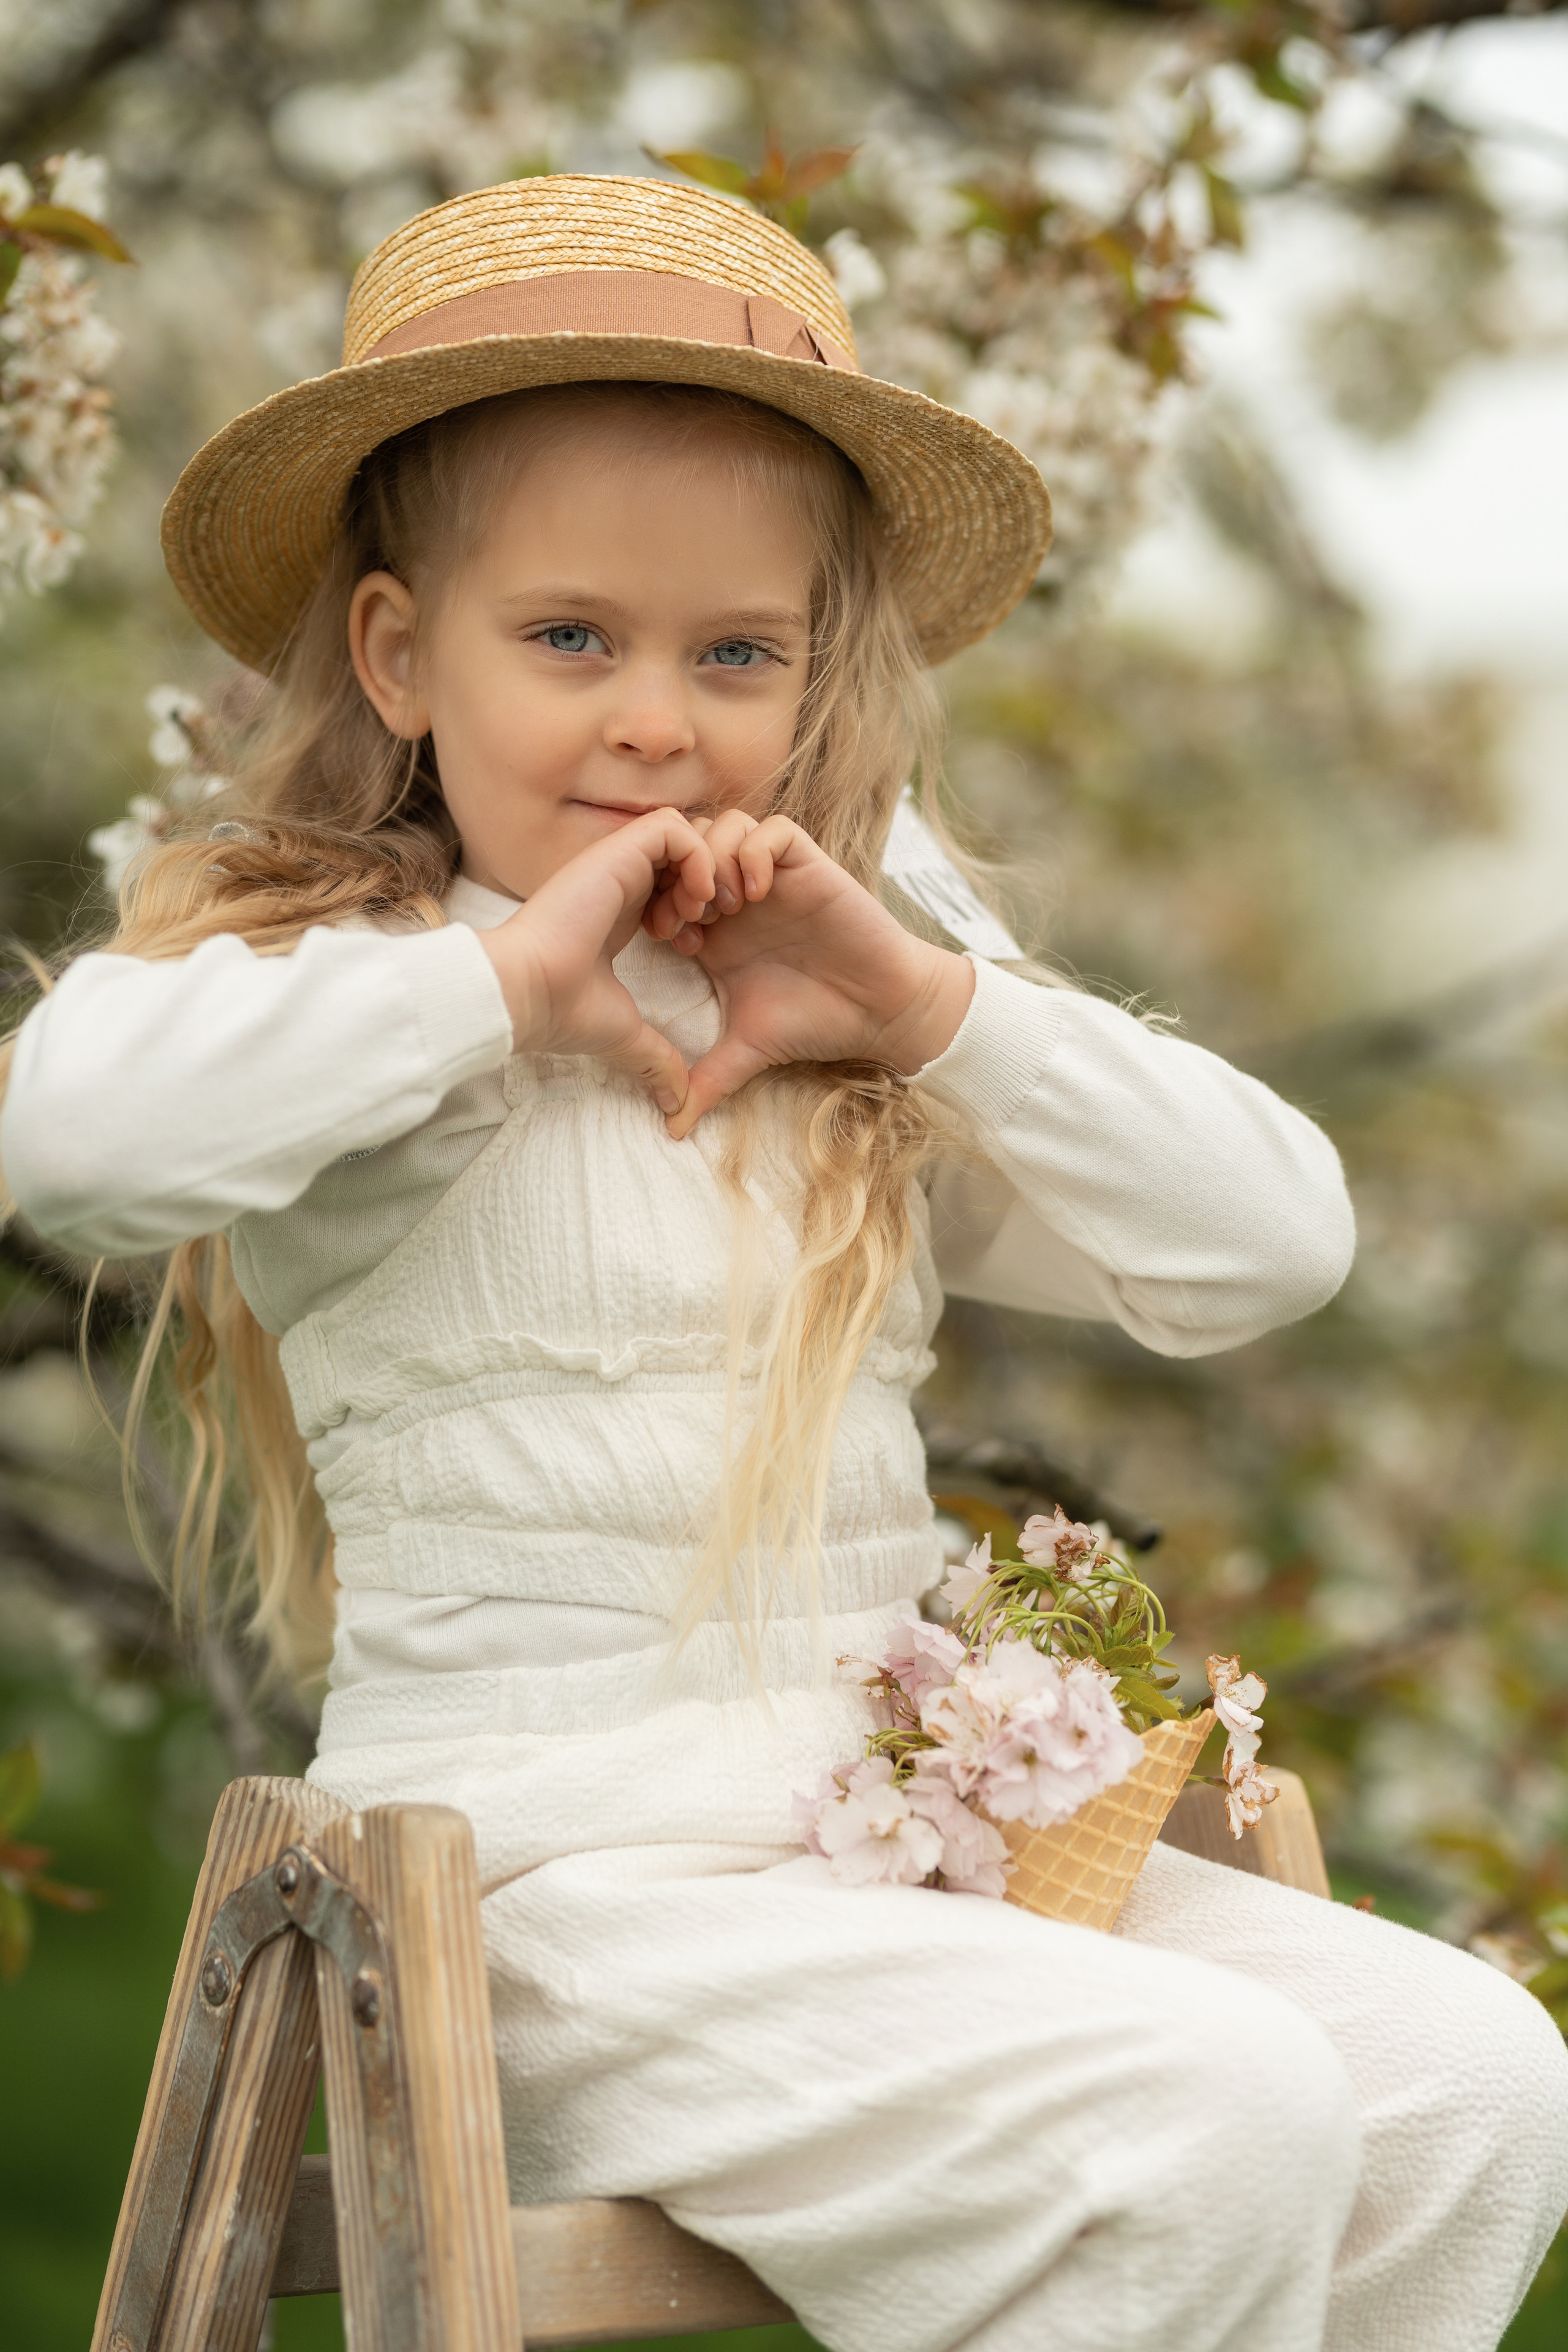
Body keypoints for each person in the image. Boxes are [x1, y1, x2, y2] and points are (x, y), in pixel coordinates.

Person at [3, 175, 1564, 2352]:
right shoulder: (369, 998)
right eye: (571, 640)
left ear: (814, 677)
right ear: (397, 655)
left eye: (736, 654)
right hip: (534, 1902)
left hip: (880, 1878)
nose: (658, 719)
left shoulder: (836, 1022)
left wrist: (930, 1009)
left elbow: (1274, 1244)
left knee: (1471, 2077)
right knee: (1203, 2113)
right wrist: (508, 992)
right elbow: (68, 1143)